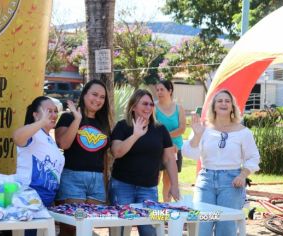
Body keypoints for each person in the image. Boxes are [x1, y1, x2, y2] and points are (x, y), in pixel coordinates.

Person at [182, 89, 260, 236]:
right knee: (201, 227)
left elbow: (254, 158)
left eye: (227, 101)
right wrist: (197, 136)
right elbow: (189, 154)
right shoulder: (202, 128)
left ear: (232, 107)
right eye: (219, 101)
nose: (223, 103)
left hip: (232, 182)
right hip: (205, 180)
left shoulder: (244, 132)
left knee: (226, 229)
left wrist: (243, 175)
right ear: (213, 106)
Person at [109, 89, 180, 236]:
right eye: (144, 104)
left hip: (148, 188)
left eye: (151, 104)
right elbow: (117, 152)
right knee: (120, 230)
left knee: (150, 230)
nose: (148, 107)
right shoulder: (122, 126)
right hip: (123, 186)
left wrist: (174, 185)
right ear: (133, 106)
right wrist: (135, 135)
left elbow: (169, 159)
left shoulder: (160, 129)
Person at [54, 80, 112, 235]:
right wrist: (77, 119)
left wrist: (104, 180)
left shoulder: (104, 123)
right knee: (71, 228)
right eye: (94, 94)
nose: (98, 100)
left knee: (87, 226)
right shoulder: (68, 117)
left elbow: (104, 155)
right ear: (84, 94)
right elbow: (63, 144)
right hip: (73, 178)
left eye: (102, 97)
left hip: (97, 181)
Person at [13, 96, 65, 236]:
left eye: (55, 111)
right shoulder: (33, 133)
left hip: (45, 204)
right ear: (35, 115)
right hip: (29, 202)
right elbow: (17, 137)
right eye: (49, 111)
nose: (53, 115)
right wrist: (41, 122)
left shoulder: (48, 138)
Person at [155, 80, 186, 202]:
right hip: (158, 148)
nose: (159, 92)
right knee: (154, 180)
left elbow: (182, 129)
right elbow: (153, 128)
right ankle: (153, 209)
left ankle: (167, 212)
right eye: (157, 90)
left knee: (168, 181)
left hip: (174, 149)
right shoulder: (153, 107)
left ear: (170, 91)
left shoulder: (179, 108)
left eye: (162, 89)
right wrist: (166, 139)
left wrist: (166, 137)